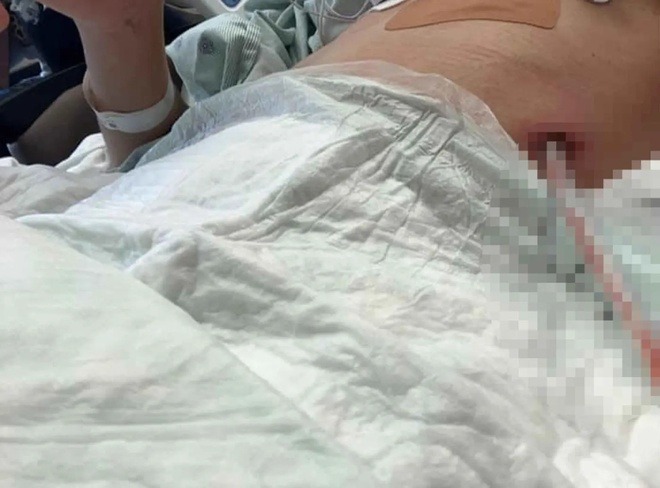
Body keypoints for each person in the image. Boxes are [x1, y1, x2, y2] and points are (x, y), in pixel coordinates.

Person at [35, 0, 659, 188]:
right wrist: (117, 25)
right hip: (211, 192)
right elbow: (146, 168)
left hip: (491, 247)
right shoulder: (297, 21)